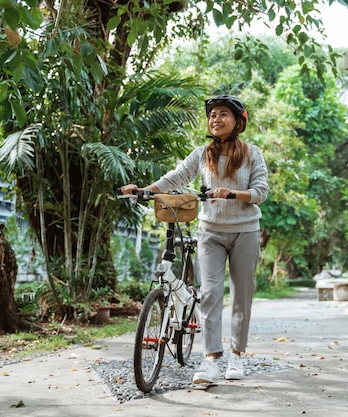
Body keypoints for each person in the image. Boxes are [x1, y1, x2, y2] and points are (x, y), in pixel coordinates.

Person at [121, 94, 269, 383]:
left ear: (238, 121)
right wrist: (144, 190)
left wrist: (232, 193)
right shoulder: (203, 154)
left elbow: (260, 192)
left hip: (245, 232)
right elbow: (176, 177)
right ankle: (211, 360)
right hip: (211, 232)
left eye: (223, 114)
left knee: (242, 297)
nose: (216, 119)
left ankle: (237, 358)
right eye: (212, 114)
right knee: (211, 293)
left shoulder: (252, 154)